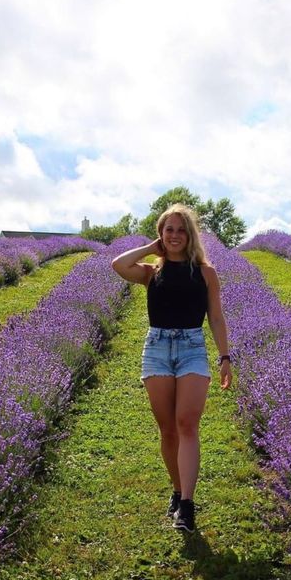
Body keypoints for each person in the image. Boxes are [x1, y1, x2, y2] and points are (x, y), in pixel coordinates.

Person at [110, 204, 232, 532]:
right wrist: (151, 248)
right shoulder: (151, 272)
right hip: (158, 349)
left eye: (181, 230)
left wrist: (225, 357)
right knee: (167, 429)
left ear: (190, 235)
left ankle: (188, 506)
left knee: (187, 424)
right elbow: (118, 264)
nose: (175, 235)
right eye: (169, 230)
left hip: (192, 348)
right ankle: (177, 491)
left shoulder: (206, 273)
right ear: (161, 234)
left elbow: (216, 317)